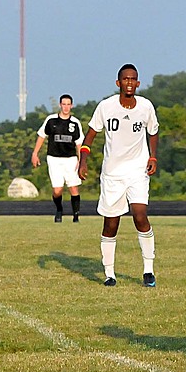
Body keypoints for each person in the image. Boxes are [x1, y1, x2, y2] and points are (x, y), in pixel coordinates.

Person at [78, 64, 159, 288]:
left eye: (133, 79)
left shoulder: (145, 106)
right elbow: (90, 136)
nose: (130, 83)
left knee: (140, 215)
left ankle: (148, 270)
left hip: (137, 171)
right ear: (118, 83)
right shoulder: (106, 107)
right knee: (111, 224)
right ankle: (110, 274)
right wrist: (83, 160)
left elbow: (153, 132)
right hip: (113, 174)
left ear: (138, 83)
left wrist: (153, 157)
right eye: (125, 79)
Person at [31, 94, 85, 223]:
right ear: (60, 105)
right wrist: (35, 153)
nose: (66, 107)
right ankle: (59, 209)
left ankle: (76, 216)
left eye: (68, 104)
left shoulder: (75, 122)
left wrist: (81, 159)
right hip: (54, 158)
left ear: (71, 106)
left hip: (70, 158)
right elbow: (41, 136)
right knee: (57, 190)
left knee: (73, 187)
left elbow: (79, 143)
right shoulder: (51, 120)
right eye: (64, 104)